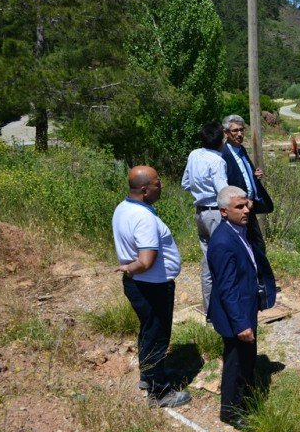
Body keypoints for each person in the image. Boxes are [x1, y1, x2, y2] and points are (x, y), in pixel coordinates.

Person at [112, 166, 190, 408]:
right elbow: (146, 261)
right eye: (158, 183)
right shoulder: (144, 218)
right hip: (152, 287)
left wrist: (130, 271)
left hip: (140, 286)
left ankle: (149, 376)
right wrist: (131, 268)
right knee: (157, 336)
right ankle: (159, 393)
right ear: (145, 190)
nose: (162, 186)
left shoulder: (123, 208)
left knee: (148, 331)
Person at [207, 186, 277, 427]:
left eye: (247, 204)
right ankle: (230, 411)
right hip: (235, 316)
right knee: (235, 362)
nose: (247, 209)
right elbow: (226, 289)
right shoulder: (223, 242)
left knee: (247, 359)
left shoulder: (239, 230)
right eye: (240, 206)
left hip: (246, 308)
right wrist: (241, 324)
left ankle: (244, 398)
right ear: (224, 211)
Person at [181, 122, 228, 315]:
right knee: (223, 260)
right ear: (222, 139)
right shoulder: (218, 161)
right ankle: (225, 309)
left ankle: (210, 311)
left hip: (200, 213)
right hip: (216, 213)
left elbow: (185, 183)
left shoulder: (194, 154)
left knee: (208, 262)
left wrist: (200, 192)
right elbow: (223, 192)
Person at [220, 115, 274, 253]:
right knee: (242, 247)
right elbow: (225, 184)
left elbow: (244, 173)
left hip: (249, 207)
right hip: (236, 209)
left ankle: (259, 273)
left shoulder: (241, 150)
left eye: (242, 130)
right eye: (235, 131)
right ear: (226, 133)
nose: (239, 134)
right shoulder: (223, 155)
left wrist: (255, 175)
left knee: (258, 247)